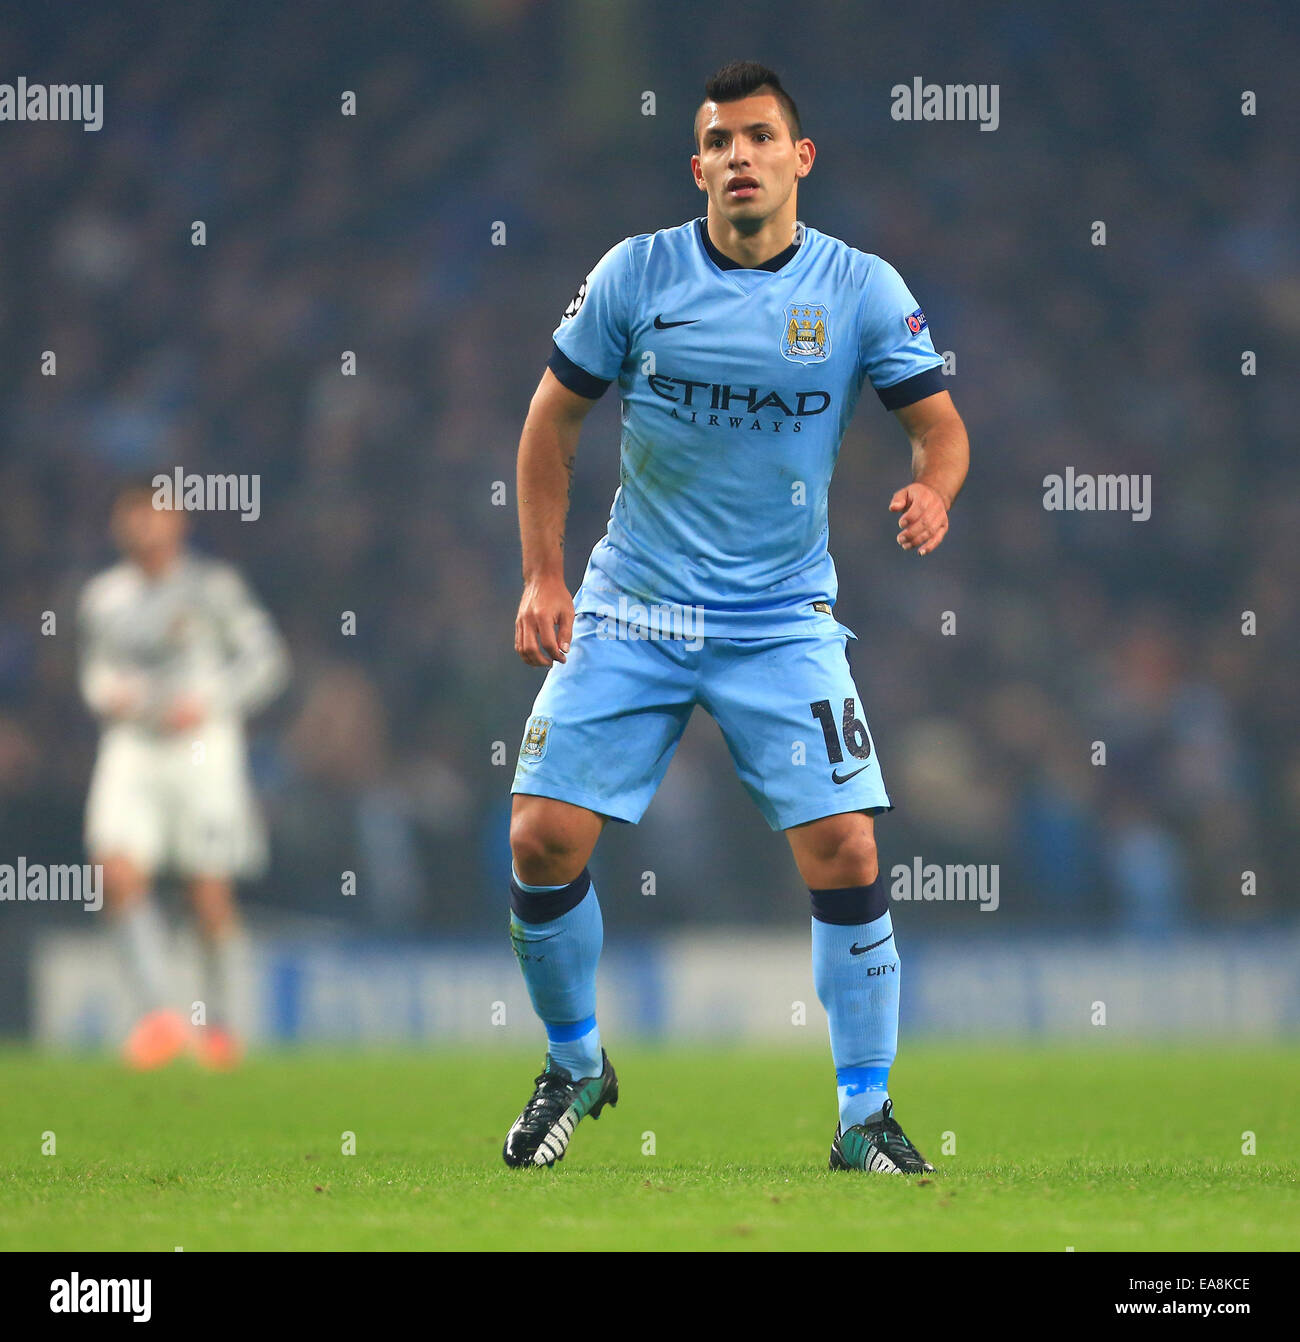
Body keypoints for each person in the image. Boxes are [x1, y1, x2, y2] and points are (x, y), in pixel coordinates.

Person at [504, 61, 968, 1173]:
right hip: (634, 605)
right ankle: (575, 1061)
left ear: (798, 159)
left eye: (761, 137)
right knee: (537, 834)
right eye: (721, 142)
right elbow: (549, 426)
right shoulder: (635, 274)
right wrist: (542, 577)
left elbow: (940, 426)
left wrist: (933, 488)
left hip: (779, 617)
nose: (741, 157)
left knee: (844, 842)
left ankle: (864, 1114)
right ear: (699, 164)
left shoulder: (858, 288)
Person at [78, 483, 289, 1068]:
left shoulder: (213, 588)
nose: (145, 525)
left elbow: (267, 659)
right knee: (115, 870)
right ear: (119, 523)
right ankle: (158, 1018)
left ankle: (219, 1025)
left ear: (179, 521)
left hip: (202, 749)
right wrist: (109, 695)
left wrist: (212, 700)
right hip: (133, 747)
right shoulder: (103, 597)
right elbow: (93, 672)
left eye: (156, 513)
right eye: (134, 514)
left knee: (208, 889)